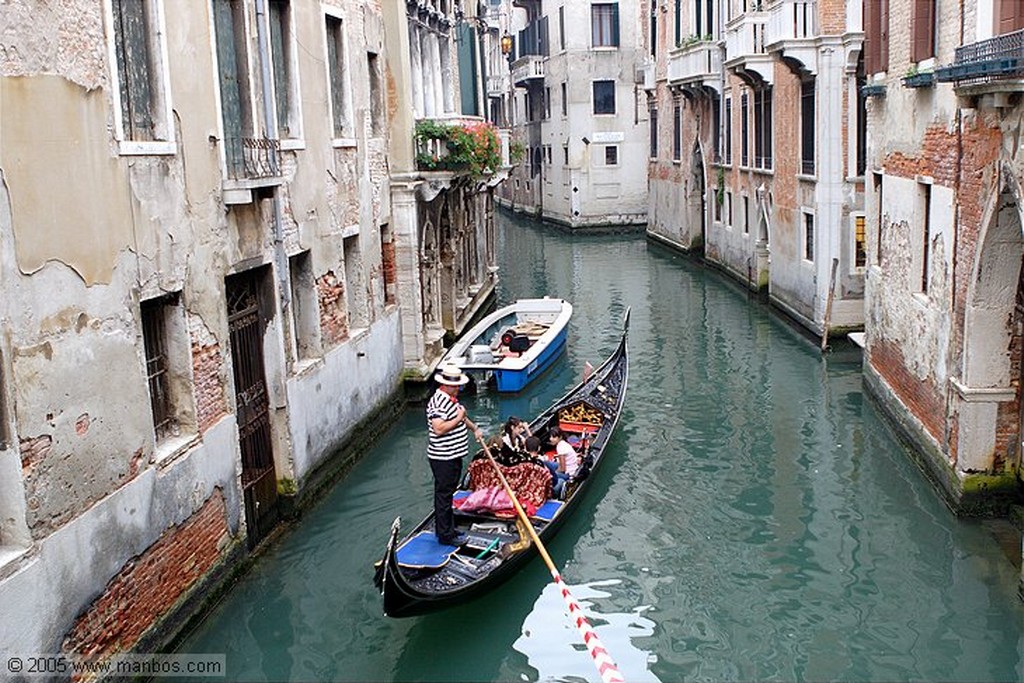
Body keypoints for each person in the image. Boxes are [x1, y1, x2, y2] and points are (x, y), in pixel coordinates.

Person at [427, 363, 483, 546]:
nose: (459, 388)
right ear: (446, 385)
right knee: (443, 495)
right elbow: (438, 428)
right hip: (443, 457)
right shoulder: (438, 402)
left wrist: (474, 428)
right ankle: (445, 535)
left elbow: (461, 416)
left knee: (448, 494)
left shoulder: (451, 400)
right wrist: (459, 418)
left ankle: (448, 528)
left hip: (452, 456)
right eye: (456, 386)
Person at [547, 427, 579, 497]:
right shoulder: (563, 443)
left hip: (569, 474)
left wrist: (554, 472)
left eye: (553, 437)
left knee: (548, 474)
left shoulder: (560, 448)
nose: (550, 439)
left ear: (560, 437)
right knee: (549, 464)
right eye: (550, 437)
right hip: (570, 467)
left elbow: (563, 469)